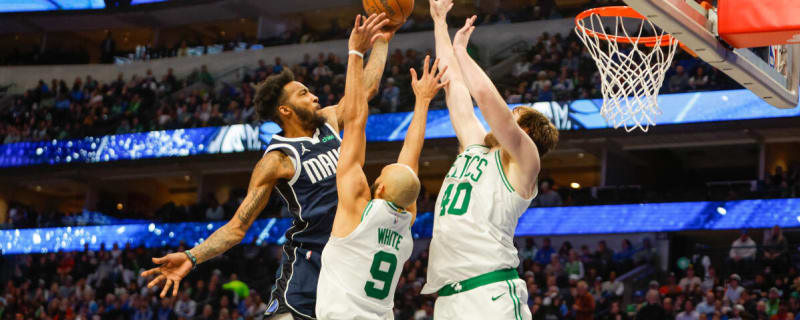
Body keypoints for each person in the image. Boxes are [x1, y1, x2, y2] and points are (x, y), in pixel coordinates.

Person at [139, 13, 396, 320]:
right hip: (310, 264)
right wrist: (192, 258)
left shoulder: (328, 122)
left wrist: (383, 40)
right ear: (285, 110)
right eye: (304, 94)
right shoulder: (277, 159)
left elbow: (363, 91)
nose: (315, 96)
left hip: (349, 259)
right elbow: (237, 228)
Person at [421, 3, 559, 319]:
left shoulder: (525, 161)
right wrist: (439, 22)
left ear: (523, 131)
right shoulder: (476, 147)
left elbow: (485, 96)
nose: (507, 112)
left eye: (514, 113)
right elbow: (453, 85)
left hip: (490, 293)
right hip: (448, 297)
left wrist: (462, 50)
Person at [316, 49, 447, 318]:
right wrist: (422, 101)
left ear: (381, 187)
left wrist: (354, 53)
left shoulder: (357, 212)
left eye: (383, 172)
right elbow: (410, 160)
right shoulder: (405, 223)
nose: (382, 169)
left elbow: (354, 123)